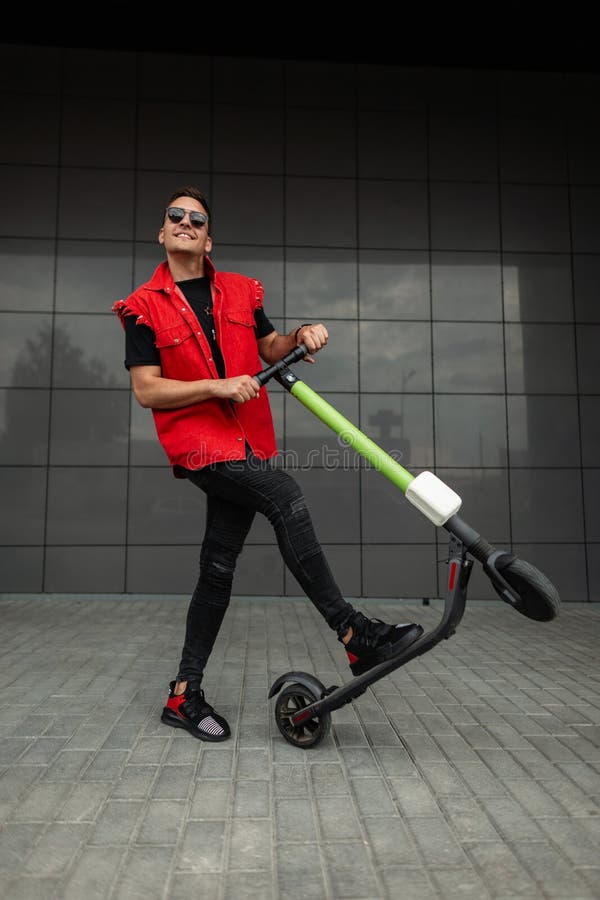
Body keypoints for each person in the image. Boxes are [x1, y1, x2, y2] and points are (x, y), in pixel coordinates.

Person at [113, 186, 423, 742]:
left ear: (209, 237)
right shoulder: (143, 307)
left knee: (218, 567)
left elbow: (271, 345)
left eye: (197, 218)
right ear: (161, 232)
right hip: (201, 444)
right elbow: (146, 390)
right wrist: (217, 386)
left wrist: (302, 335)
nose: (185, 222)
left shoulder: (239, 291)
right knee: (283, 496)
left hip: (250, 441)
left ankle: (183, 695)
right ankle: (353, 633)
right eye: (175, 215)